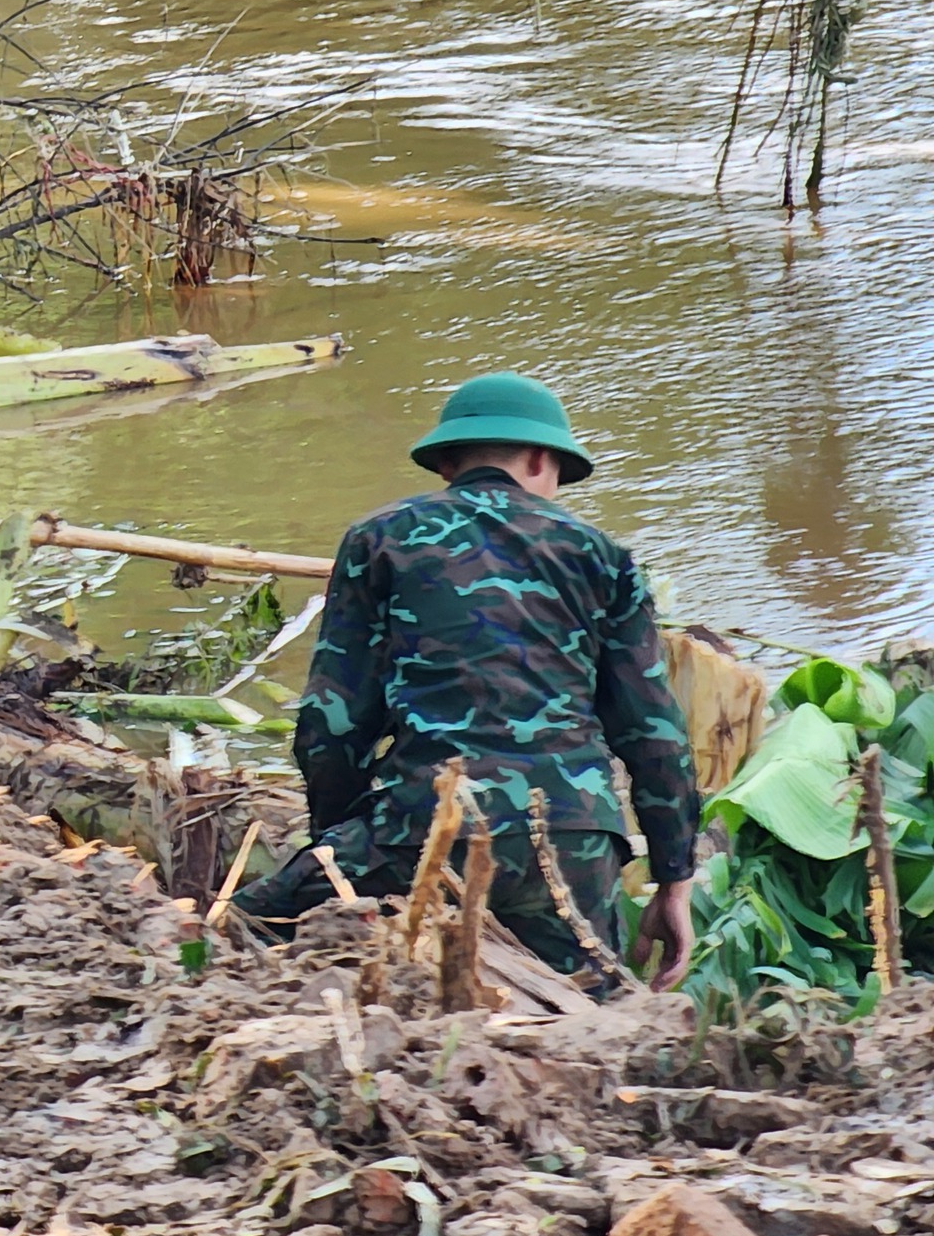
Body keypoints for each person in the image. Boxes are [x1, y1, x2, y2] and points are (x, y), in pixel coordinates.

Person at [236, 373, 702, 989]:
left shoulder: (380, 539)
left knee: (241, 927)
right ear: (542, 458)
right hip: (572, 840)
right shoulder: (602, 556)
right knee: (593, 1010)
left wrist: (339, 838)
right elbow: (654, 734)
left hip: (423, 830)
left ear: (449, 461)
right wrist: (674, 878)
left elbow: (332, 721)